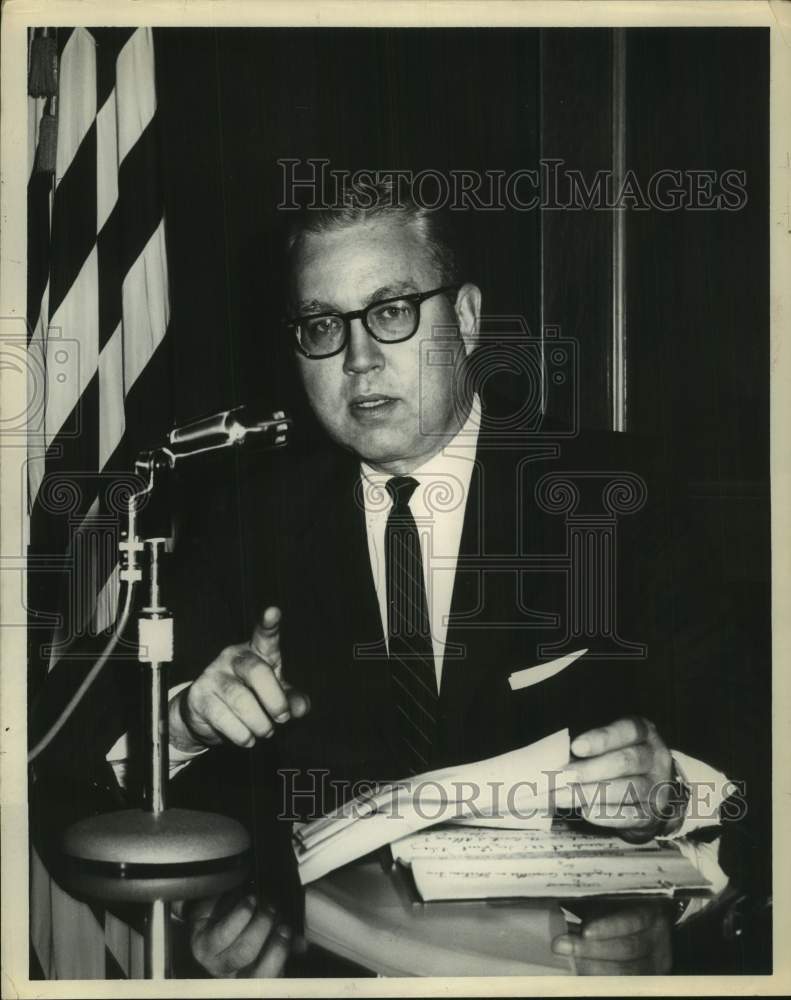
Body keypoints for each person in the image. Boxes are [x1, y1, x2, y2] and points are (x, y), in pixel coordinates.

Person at [31, 181, 734, 976]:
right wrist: (187, 718)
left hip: (564, 968)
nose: (358, 361)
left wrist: (674, 790)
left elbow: (748, 730)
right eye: (322, 326)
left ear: (465, 320)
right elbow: (56, 731)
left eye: (392, 312)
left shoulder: (611, 494)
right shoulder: (247, 520)